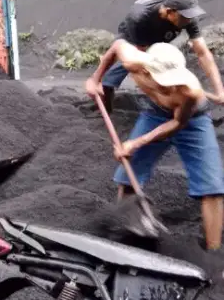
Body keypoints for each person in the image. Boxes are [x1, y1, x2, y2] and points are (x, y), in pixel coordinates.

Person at [86, 40, 224, 250]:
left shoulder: (190, 91)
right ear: (147, 72)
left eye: (174, 80)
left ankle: (213, 252)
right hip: (155, 114)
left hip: (192, 119)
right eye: (165, 81)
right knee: (128, 176)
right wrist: (96, 79)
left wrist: (136, 142)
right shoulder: (133, 62)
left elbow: (177, 123)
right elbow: (118, 45)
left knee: (211, 186)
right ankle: (125, 233)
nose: (172, 86)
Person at [88, 0, 224, 114]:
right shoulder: (139, 18)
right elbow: (138, 56)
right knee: (117, 73)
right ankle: (106, 106)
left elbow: (203, 53)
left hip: (161, 37)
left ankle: (171, 103)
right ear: (169, 11)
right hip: (136, 36)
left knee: (169, 70)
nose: (189, 21)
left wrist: (220, 91)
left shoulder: (186, 17)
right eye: (185, 17)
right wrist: (96, 79)